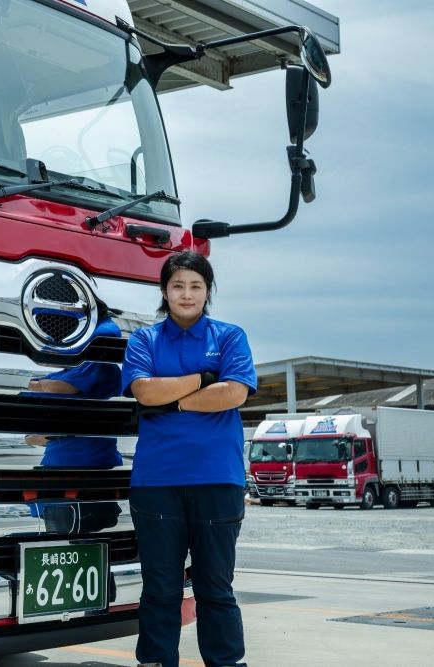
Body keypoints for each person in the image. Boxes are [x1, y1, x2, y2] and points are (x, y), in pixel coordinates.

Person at [121, 250, 257, 667]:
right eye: (178, 285)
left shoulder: (230, 336)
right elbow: (144, 393)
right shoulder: (145, 340)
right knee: (160, 586)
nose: (186, 293)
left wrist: (174, 402)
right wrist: (201, 379)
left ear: (207, 291)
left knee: (215, 586)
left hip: (218, 478)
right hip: (156, 483)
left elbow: (234, 393)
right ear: (165, 290)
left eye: (196, 286)